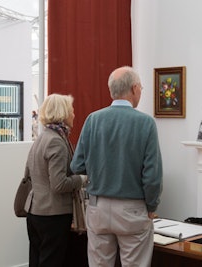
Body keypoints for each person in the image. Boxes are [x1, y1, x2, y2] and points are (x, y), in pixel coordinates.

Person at [70, 66, 163, 267]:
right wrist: (152, 205)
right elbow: (152, 174)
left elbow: (77, 165)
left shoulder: (93, 120)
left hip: (98, 206)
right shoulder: (145, 123)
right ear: (134, 88)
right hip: (133, 208)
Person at [25, 94, 87, 267]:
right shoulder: (56, 142)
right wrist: (82, 179)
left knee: (37, 261)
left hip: (35, 211)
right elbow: (59, 184)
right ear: (63, 113)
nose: (74, 114)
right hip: (52, 215)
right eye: (71, 111)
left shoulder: (41, 139)